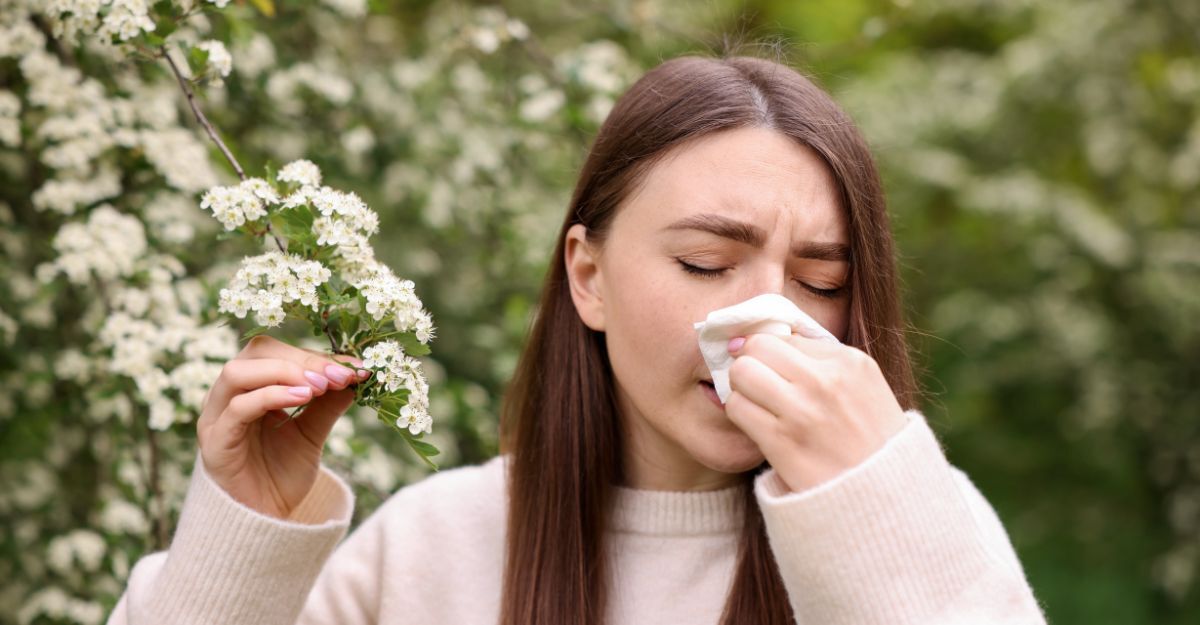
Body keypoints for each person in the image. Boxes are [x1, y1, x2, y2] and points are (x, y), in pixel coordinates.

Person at [106, 52, 1049, 625]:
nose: (768, 322)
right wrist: (243, 538)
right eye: (707, 263)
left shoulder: (923, 521)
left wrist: (872, 504)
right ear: (587, 275)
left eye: (820, 283)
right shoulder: (436, 547)